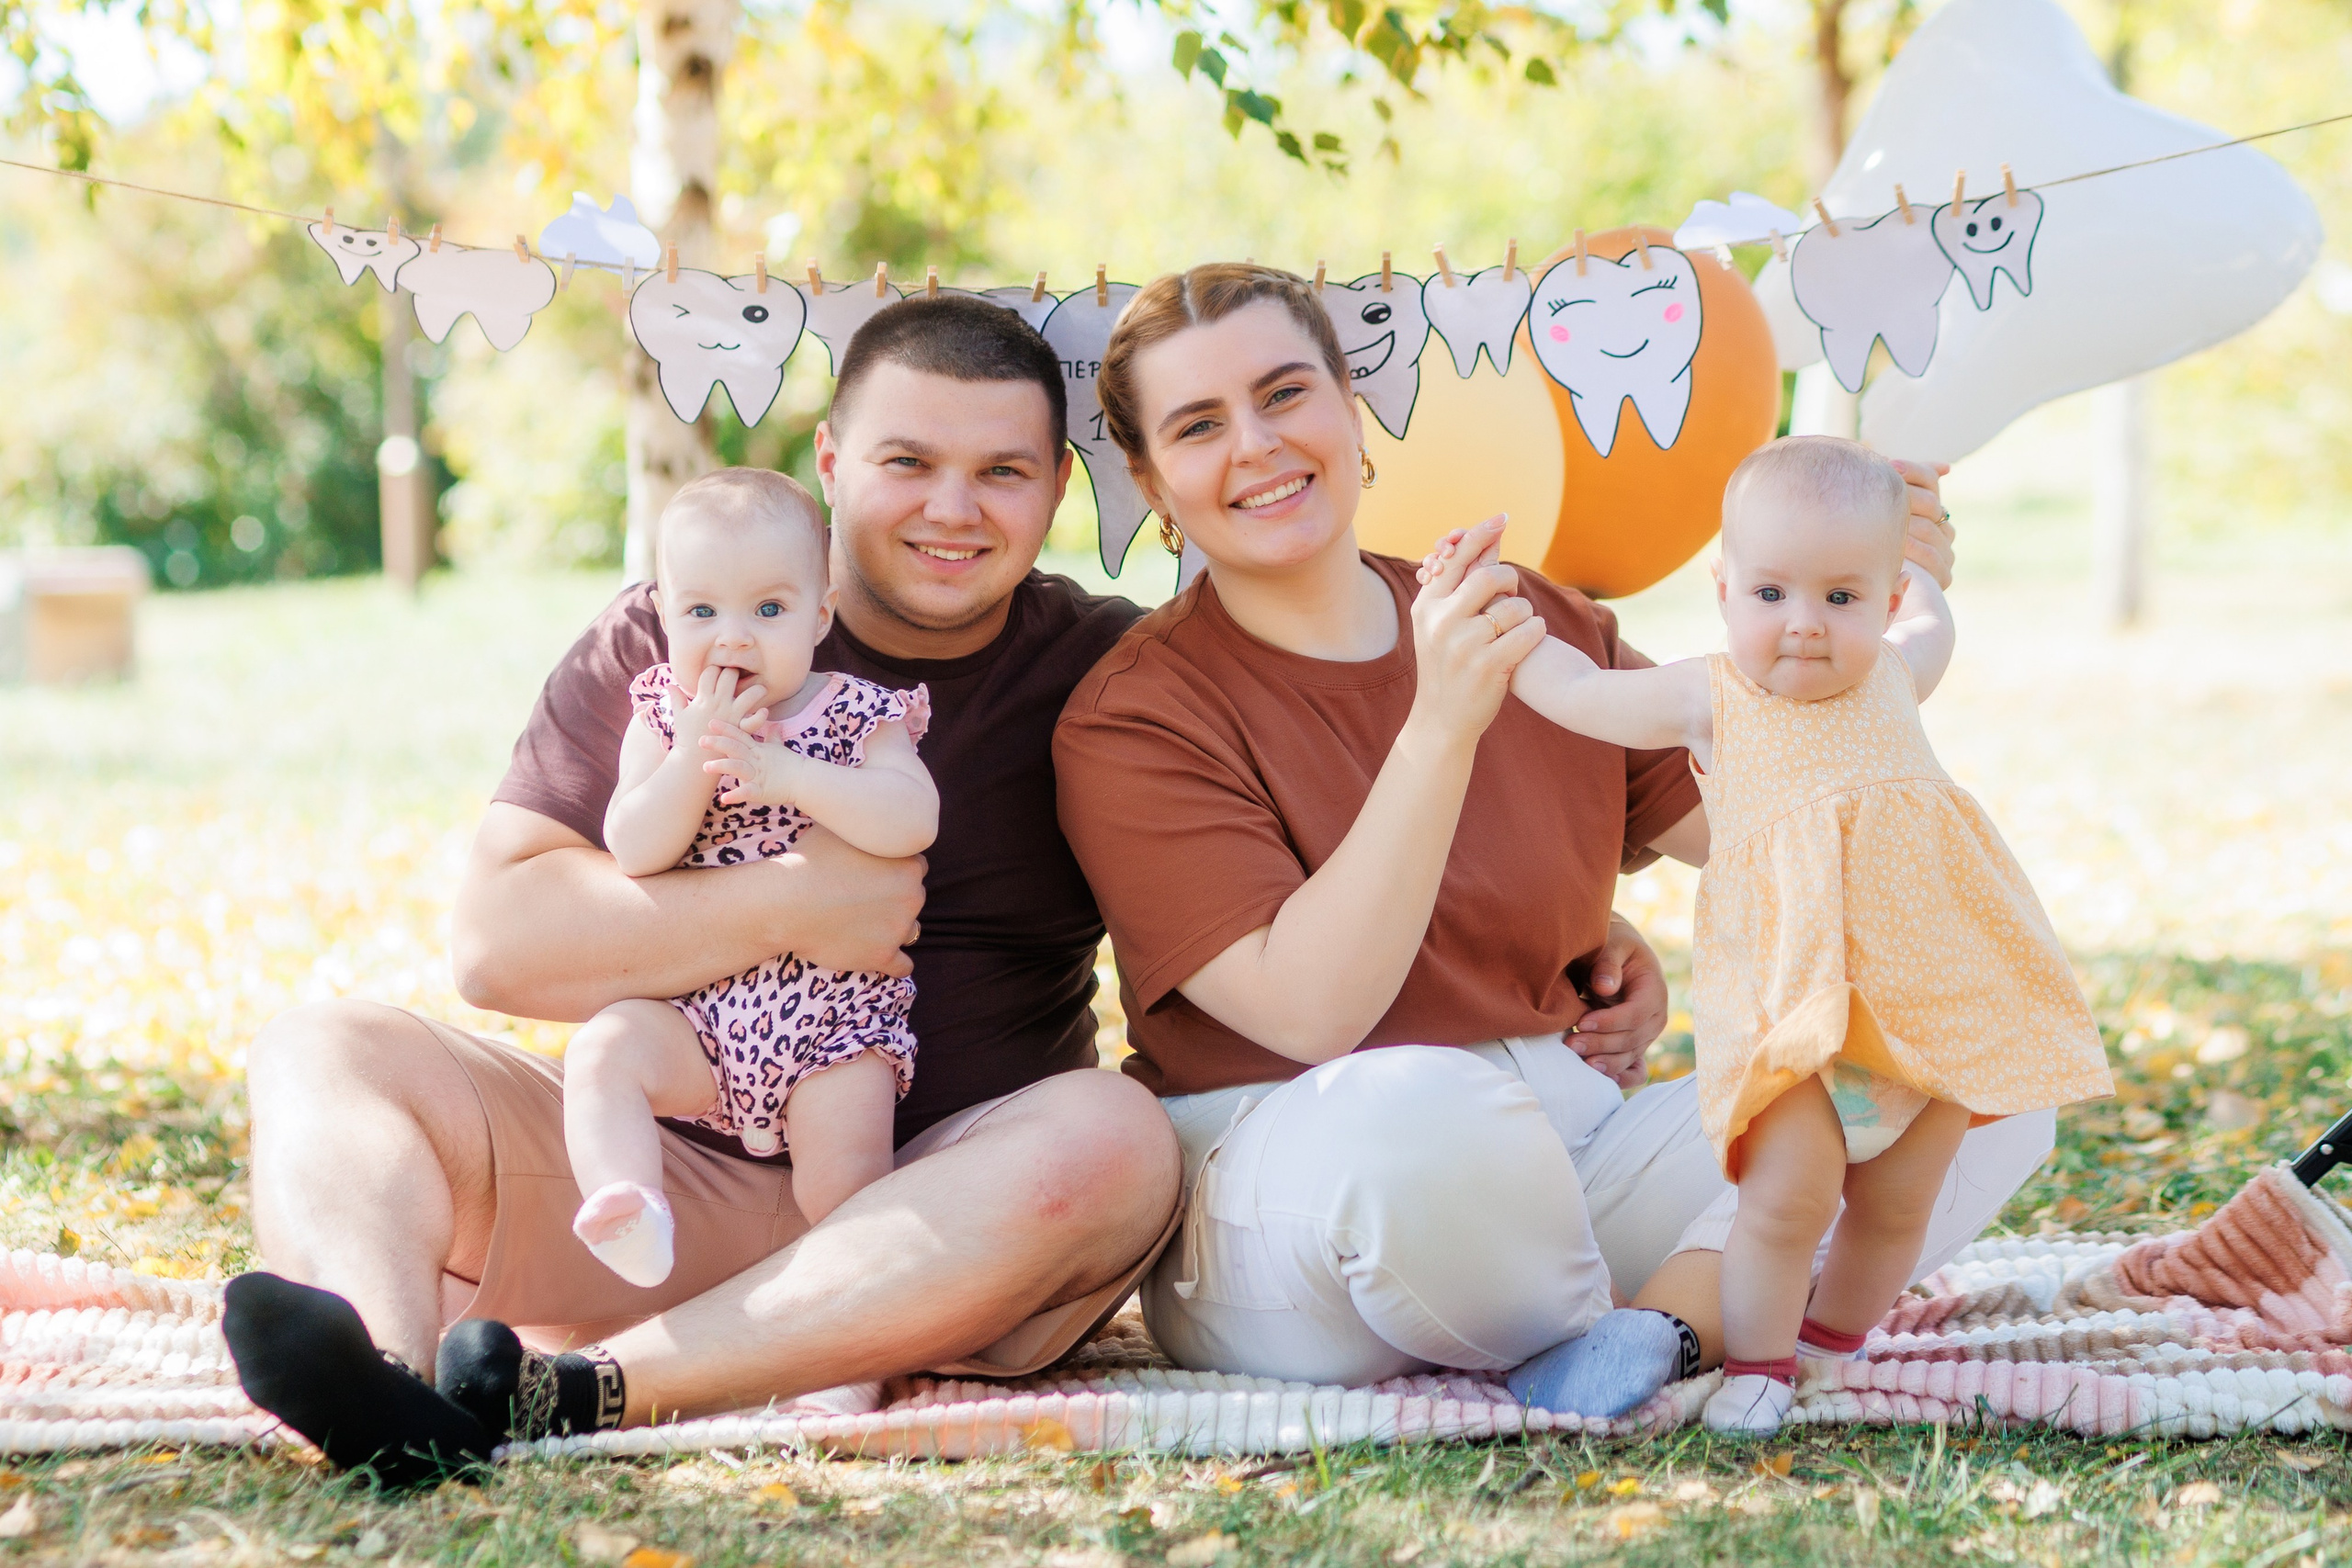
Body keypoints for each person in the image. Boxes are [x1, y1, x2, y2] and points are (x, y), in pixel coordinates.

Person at [1051, 262, 2057, 1421]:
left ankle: (1655, 1330)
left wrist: (1853, 610)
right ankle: (1699, 1300)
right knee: (1419, 1119)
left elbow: (1772, 835)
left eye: (1285, 394)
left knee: (1962, 1045)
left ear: (1348, 401)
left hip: (1569, 1149)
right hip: (1304, 1184)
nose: (1258, 446)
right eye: (1198, 425)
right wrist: (1440, 723)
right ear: (1149, 478)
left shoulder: (1528, 620)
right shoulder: (1137, 713)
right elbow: (1312, 1016)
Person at [224, 296, 1182, 1484]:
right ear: (832, 464)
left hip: (940, 1215)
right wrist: (796, 900)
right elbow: (498, 943)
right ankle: (389, 1389)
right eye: (908, 462)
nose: (953, 506)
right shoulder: (679, 634)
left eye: (1002, 470)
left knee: (1121, 1138)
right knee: (325, 1046)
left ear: (1056, 487)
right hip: (662, 1186)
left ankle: (585, 1390)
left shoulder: (1107, 664)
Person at [1463, 435, 2110, 1431]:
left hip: (1924, 1001)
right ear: (1725, 591)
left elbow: (1934, 616)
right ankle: (1759, 1367)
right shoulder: (1708, 696)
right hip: (1792, 1008)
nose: (1803, 627)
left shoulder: (1893, 672)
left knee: (1896, 1204)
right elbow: (1577, 695)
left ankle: (1830, 1348)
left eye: (1840, 599)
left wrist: (1927, 555)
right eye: (1770, 595)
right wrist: (1498, 610)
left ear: (1883, 602)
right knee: (1784, 1200)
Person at [570, 468, 938, 1290]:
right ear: (663, 613)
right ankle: (628, 1204)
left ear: (820, 613)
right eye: (702, 611)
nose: (732, 639)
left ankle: (855, 1333)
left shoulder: (855, 711)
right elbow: (632, 844)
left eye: (768, 610)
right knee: (604, 1052)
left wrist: (790, 775)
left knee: (844, 1184)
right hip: (697, 1014)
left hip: (832, 1020)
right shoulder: (664, 715)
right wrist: (692, 763)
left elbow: (913, 818)